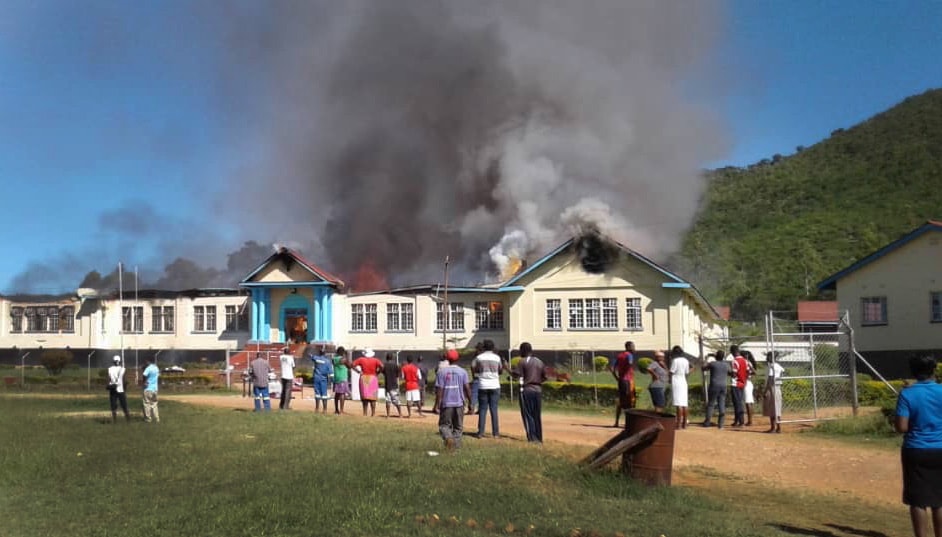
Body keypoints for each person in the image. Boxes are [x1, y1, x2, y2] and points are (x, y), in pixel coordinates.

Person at [895, 355, 942, 537]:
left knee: (918, 500)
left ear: (913, 372)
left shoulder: (907, 394)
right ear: (934, 370)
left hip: (916, 449)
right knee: (939, 499)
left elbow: (902, 427)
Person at [433, 349, 472, 451]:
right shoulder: (463, 372)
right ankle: (455, 449)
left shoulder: (441, 372)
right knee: (458, 428)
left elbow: (440, 390)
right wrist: (471, 402)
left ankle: (448, 438)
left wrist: (437, 404)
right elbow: (467, 388)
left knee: (444, 426)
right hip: (459, 403)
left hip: (446, 403)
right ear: (457, 358)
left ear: (447, 358)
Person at [512, 342, 547, 444]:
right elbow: (545, 377)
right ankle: (539, 438)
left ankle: (532, 438)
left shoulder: (522, 362)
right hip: (538, 390)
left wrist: (506, 368)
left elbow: (516, 376)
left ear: (523, 350)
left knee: (528, 415)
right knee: (537, 414)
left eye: (520, 350)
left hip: (526, 390)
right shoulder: (539, 362)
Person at [472, 339, 504, 438]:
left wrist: (480, 371)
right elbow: (500, 370)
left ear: (484, 347)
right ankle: (496, 433)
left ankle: (481, 432)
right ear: (493, 347)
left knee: (482, 409)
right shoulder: (497, 358)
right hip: (494, 385)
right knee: (494, 409)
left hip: (483, 385)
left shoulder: (479, 357)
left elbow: (474, 367)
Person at [609, 341, 636, 428]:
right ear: (628, 347)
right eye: (633, 346)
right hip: (627, 380)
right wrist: (628, 369)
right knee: (630, 401)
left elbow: (612, 368)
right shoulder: (629, 355)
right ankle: (629, 423)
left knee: (621, 401)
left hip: (621, 380)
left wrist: (617, 377)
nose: (634, 348)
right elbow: (630, 363)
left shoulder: (619, 355)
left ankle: (617, 422)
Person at [702, 350, 730, 428]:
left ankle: (707, 422)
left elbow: (703, 368)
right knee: (722, 403)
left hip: (714, 385)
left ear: (716, 356)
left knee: (711, 404)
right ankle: (721, 424)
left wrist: (706, 358)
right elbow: (731, 373)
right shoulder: (726, 365)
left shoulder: (713, 364)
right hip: (723, 385)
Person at [352, 349, 383, 416]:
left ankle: (365, 413)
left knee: (365, 397)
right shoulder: (376, 360)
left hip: (364, 378)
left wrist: (358, 371)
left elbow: (352, 364)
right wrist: (378, 372)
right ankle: (373, 413)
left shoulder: (361, 359)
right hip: (373, 378)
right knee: (373, 398)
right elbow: (382, 366)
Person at [668, 346, 690, 429]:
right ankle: (684, 423)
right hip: (683, 381)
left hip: (676, 381)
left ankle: (678, 424)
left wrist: (669, 379)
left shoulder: (675, 360)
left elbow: (671, 371)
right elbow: (687, 372)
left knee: (678, 404)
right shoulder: (686, 360)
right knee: (684, 403)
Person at [763, 352, 785, 433]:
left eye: (768, 357)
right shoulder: (778, 366)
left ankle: (773, 428)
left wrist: (765, 390)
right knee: (777, 408)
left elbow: (770, 378)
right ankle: (778, 427)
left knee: (772, 408)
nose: (766, 358)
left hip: (771, 388)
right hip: (778, 387)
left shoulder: (771, 367)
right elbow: (783, 371)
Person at [107, 355, 130, 423]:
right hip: (121, 389)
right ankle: (128, 420)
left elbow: (108, 379)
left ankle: (115, 420)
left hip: (112, 388)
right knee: (124, 405)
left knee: (113, 405)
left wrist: (108, 385)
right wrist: (125, 388)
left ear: (113, 361)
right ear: (120, 361)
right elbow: (124, 380)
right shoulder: (122, 369)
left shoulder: (110, 369)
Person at [730, 345, 749, 427]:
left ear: (733, 352)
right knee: (738, 402)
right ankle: (737, 420)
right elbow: (748, 371)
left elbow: (734, 374)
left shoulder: (734, 361)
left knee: (737, 403)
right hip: (743, 383)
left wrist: (728, 373)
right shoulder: (745, 360)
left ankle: (741, 421)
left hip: (736, 384)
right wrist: (744, 379)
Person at [311, 345, 333, 414]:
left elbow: (312, 357)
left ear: (319, 353)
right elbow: (331, 373)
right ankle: (325, 410)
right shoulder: (327, 362)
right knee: (324, 394)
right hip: (323, 379)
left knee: (317, 393)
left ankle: (317, 409)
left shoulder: (316, 358)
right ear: (325, 353)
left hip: (316, 378)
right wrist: (332, 381)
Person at [382, 353, 402, 418]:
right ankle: (400, 414)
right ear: (392, 358)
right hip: (394, 385)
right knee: (396, 400)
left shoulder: (384, 365)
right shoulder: (396, 365)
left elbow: (383, 372)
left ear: (386, 358)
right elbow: (398, 375)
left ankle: (388, 415)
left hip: (387, 385)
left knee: (388, 401)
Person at [141, 356, 160, 423]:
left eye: (146, 361)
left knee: (146, 404)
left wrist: (144, 382)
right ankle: (156, 418)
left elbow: (144, 375)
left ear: (148, 361)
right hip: (155, 388)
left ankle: (148, 419)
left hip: (148, 388)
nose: (145, 363)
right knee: (154, 404)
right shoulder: (156, 368)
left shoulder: (148, 368)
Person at [332, 347, 350, 415]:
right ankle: (341, 410)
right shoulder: (343, 359)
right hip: (343, 378)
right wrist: (347, 356)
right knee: (342, 394)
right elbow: (349, 366)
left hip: (336, 377)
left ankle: (336, 409)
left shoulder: (333, 359)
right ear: (343, 352)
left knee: (337, 394)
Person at [742, 350, 758, 426]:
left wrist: (747, 373)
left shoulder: (746, 363)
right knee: (750, 402)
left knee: (748, 402)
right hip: (748, 382)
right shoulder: (748, 362)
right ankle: (750, 419)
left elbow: (754, 372)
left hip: (747, 382)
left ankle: (750, 421)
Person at [278, 346, 296, 410]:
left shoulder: (281, 357)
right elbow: (293, 366)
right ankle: (286, 406)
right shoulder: (290, 358)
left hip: (283, 376)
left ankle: (281, 405)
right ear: (289, 352)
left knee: (283, 391)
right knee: (288, 392)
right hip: (289, 376)